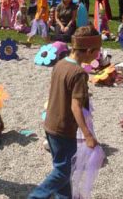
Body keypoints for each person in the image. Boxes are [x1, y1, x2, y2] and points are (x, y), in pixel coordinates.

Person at [28, 25, 101, 198]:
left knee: (62, 167)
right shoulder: (79, 73)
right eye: (97, 51)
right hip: (63, 129)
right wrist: (88, 134)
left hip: (50, 124)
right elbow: (75, 107)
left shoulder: (60, 64)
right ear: (89, 50)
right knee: (62, 171)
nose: (98, 55)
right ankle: (36, 196)